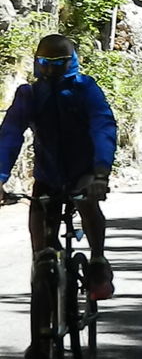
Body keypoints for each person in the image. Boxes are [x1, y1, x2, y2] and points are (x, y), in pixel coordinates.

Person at [0, 34, 117, 300]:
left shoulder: (85, 89)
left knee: (88, 204)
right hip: (48, 173)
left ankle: (98, 260)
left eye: (60, 62)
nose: (51, 68)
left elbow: (103, 127)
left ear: (72, 61)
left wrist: (100, 173)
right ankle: (42, 310)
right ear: (36, 62)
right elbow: (10, 135)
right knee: (39, 222)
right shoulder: (29, 94)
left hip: (84, 171)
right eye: (45, 61)